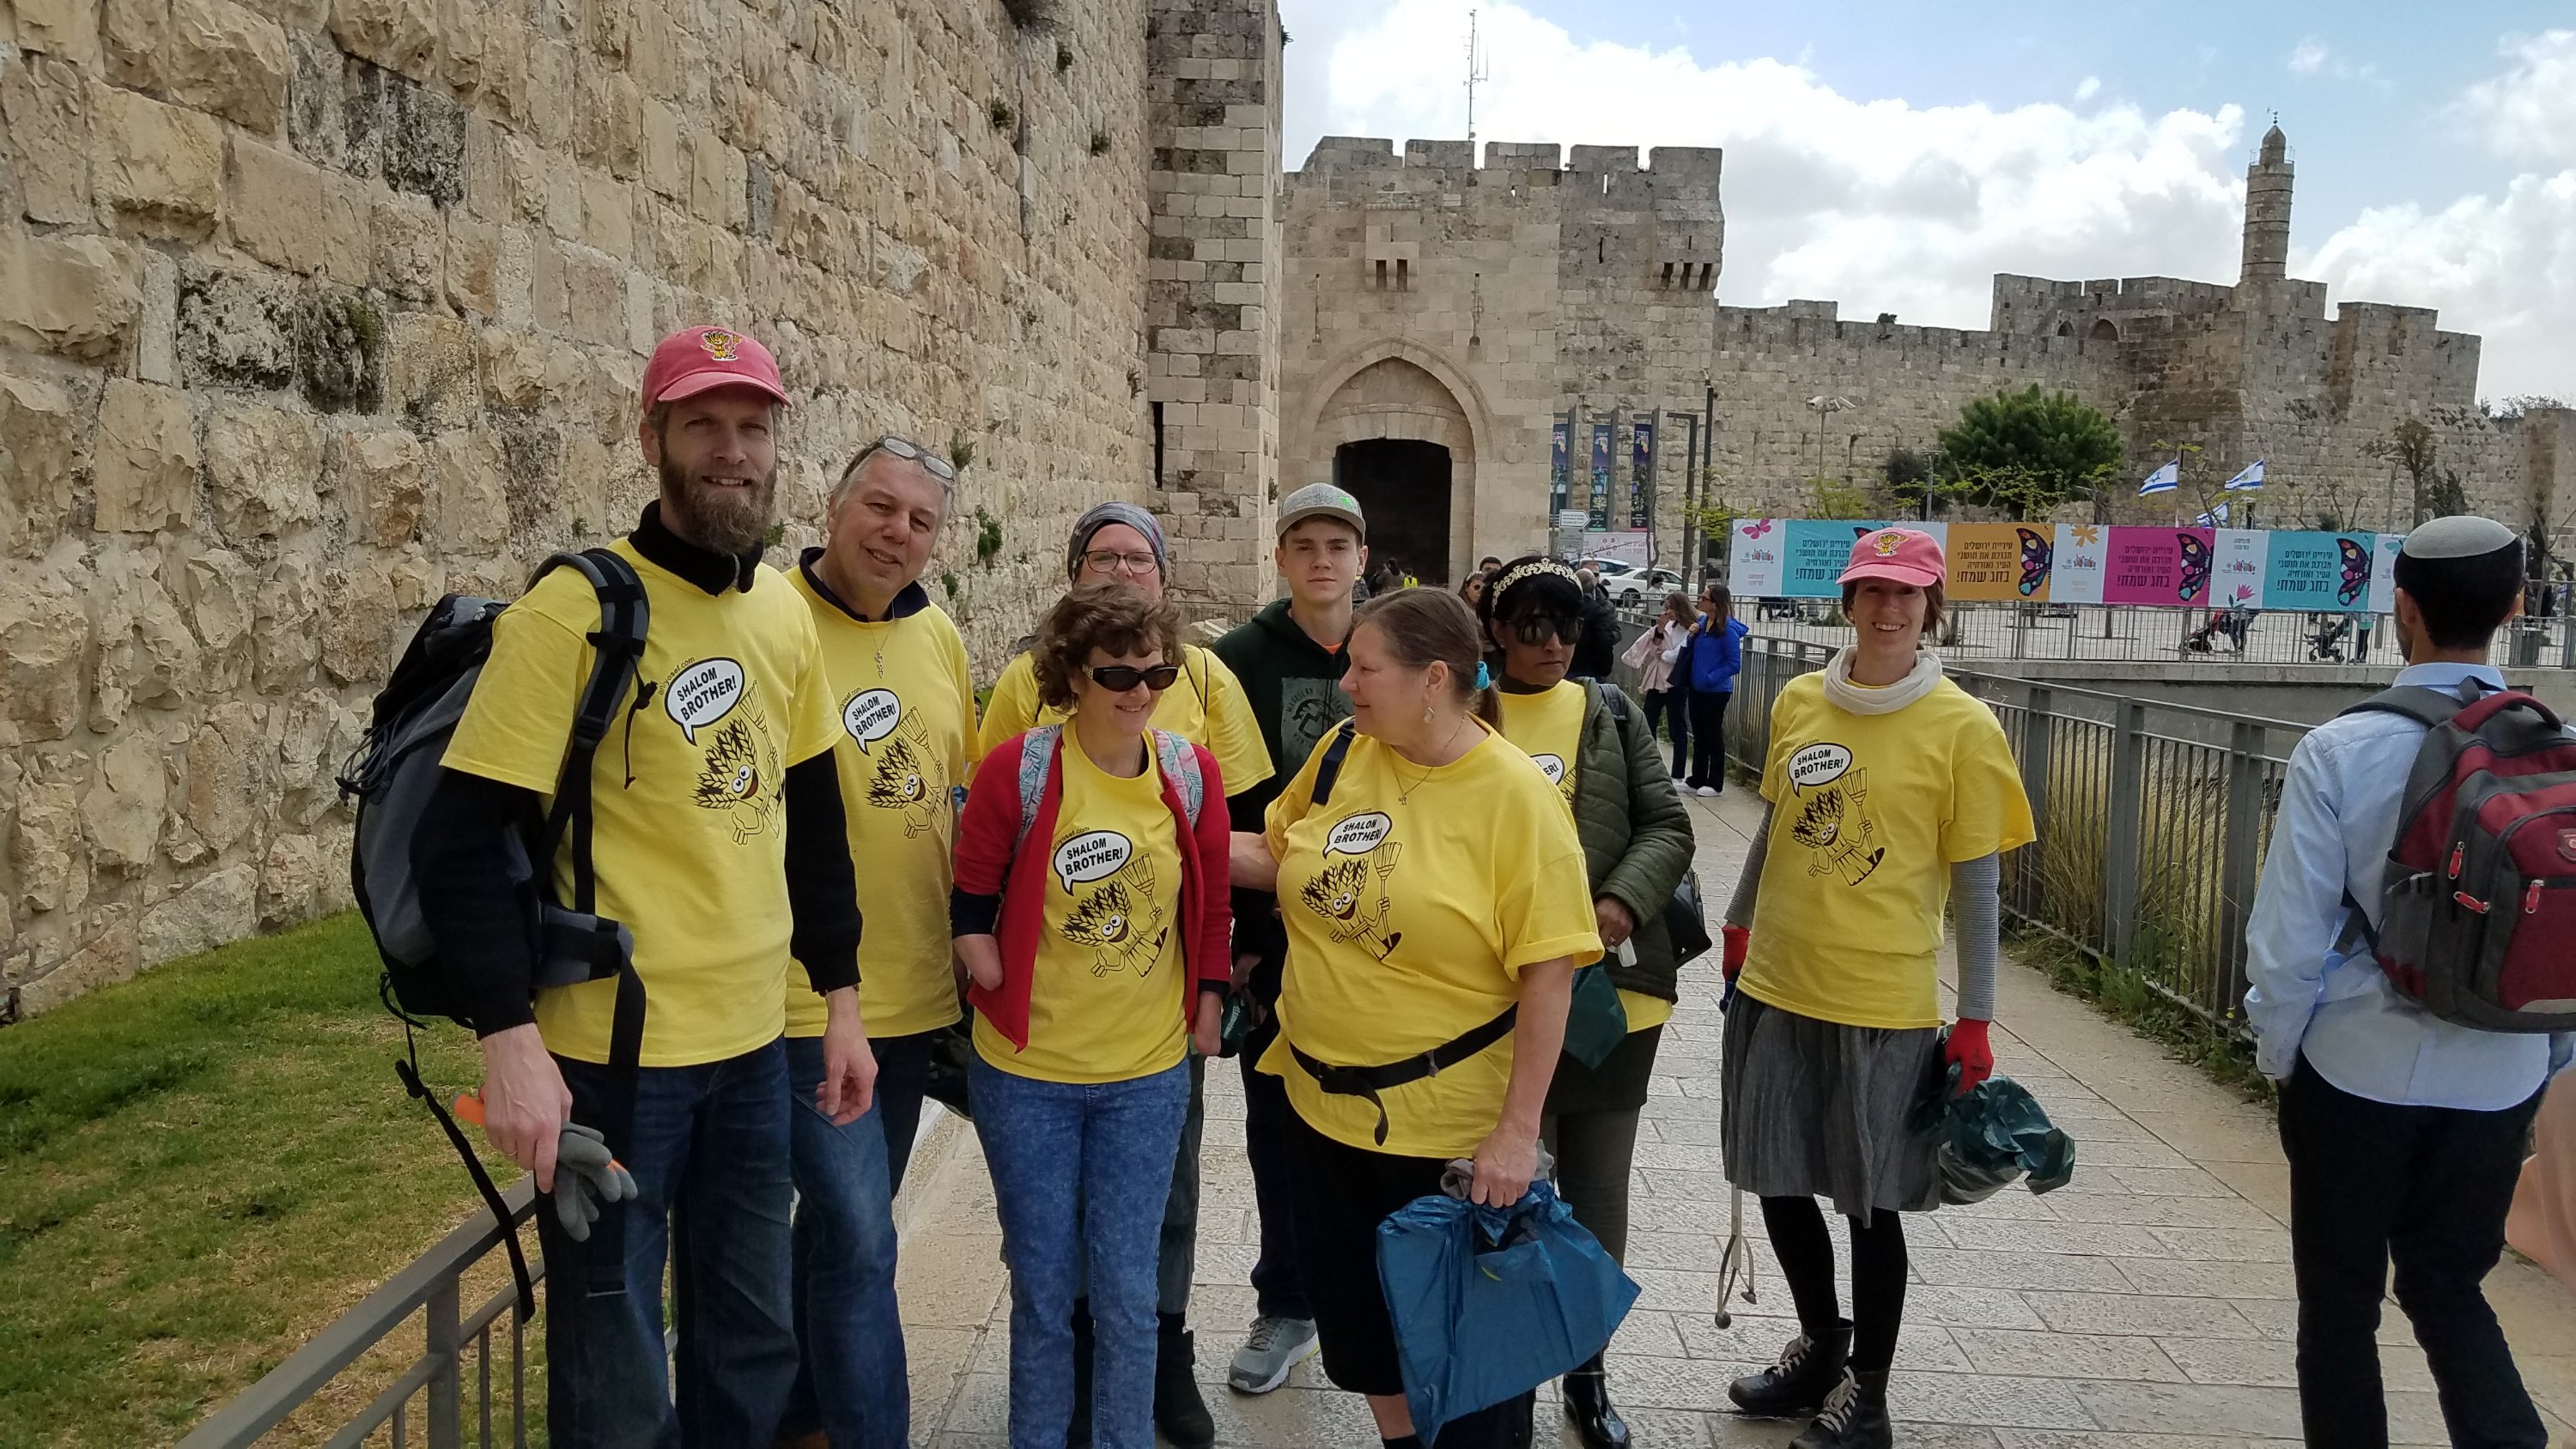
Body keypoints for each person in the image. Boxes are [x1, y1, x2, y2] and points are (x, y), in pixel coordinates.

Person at [415, 325, 869, 1447]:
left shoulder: (782, 613)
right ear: (651, 438)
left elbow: (813, 824)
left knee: (753, 1338)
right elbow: (459, 842)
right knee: (614, 1363)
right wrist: (509, 1043)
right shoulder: (573, 612)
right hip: (609, 1064)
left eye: (752, 427)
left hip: (754, 1049)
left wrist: (843, 1000)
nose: (732, 451)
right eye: (702, 424)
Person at [1241, 588, 1602, 1449]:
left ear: (1434, 678)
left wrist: (1516, 1134)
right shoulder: (1343, 751)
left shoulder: (1516, 797)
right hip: (1320, 1116)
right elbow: (1273, 852)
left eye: (1365, 669)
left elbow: (1550, 973)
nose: (1346, 685)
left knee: (1474, 1385)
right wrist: (1148, 829)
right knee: (1369, 1348)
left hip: (1447, 1146)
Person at [2244, 515, 2574, 1449]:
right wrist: (2548, 1051)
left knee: (2339, 1306)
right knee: (2449, 1284)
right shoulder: (2559, 748)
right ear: (2515, 606)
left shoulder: (2340, 749)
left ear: (2402, 607)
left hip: (2356, 1071)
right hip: (2499, 1075)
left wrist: (2283, 1055)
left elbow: (2288, 941)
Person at [1718, 528, 2033, 1449]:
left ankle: (1870, 1394)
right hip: (1779, 982)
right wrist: (1738, 926)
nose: (1889, 609)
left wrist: (1976, 1017)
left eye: (1908, 594)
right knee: (1776, 1175)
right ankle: (1821, 1347)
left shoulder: (1964, 727)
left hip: (1882, 1002)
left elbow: (1978, 885)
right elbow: (1777, 827)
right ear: (1849, 601)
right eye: (1873, 591)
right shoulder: (1801, 699)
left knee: (1869, 1201)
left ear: (1931, 608)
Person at [978, 502, 1269, 1446]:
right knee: (1045, 1272)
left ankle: (1139, 1409)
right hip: (1034, 1062)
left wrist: (1215, 991)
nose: (1141, 689)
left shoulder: (1194, 744)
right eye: (1117, 673)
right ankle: (1051, 1415)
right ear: (1071, 672)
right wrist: (976, 951)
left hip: (1149, 1056)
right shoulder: (1021, 747)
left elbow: (1222, 874)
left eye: (1156, 672)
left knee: (1139, 1259)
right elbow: (976, 863)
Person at [776, 435, 981, 1448]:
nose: (897, 532)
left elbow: (956, 793)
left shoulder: (937, 633)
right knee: (860, 1238)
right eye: (881, 506)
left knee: (840, 1227)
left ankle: (799, 1414)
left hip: (913, 995)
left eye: (921, 520)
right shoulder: (773, 619)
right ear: (833, 504)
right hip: (809, 996)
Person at [1479, 558, 1695, 1449]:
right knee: (1509, 1190)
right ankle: (1510, 1377)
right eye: (1532, 625)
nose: (1552, 643)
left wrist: (1618, 904)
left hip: (1612, 995)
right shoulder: (1467, 713)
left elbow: (1667, 825)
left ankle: (1588, 1372)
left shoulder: (1610, 712)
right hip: (1496, 1001)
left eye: (1567, 625)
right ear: (1498, 631)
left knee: (1598, 1194)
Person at [1209, 482, 1368, 1394]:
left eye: (1337, 545)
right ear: (1279, 557)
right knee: (1275, 1123)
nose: (1321, 560)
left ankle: (1380, 1300)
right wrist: (1239, 934)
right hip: (1272, 935)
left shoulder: (1394, 650)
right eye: (1303, 544)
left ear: (1361, 558)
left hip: (1378, 933)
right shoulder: (1235, 661)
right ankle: (1288, 1301)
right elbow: (1227, 803)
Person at [1680, 583, 1747, 795]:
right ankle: (1697, 778)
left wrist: (1710, 678)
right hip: (1697, 688)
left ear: (1715, 603)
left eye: (1704, 598)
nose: (1700, 601)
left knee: (1713, 735)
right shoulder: (1702, 623)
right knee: (1699, 735)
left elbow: (1734, 664)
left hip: (1716, 691)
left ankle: (1715, 782)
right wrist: (1691, 635)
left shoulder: (1727, 630)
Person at [1623, 591, 1693, 781]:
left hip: (1676, 681)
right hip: (1658, 679)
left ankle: (1678, 774)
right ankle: (1650, 767)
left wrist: (1665, 655)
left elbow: (1678, 654)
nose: (1667, 612)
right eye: (1666, 608)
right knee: (1649, 720)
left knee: (1676, 726)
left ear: (1679, 608)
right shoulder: (1668, 626)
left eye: (1670, 608)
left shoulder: (1691, 629)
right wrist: (1660, 631)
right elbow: (1655, 650)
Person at [1569, 568, 1620, 681]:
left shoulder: (1564, 607)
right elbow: (1604, 640)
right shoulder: (1598, 611)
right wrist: (1605, 668)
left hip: (1572, 666)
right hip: (1589, 669)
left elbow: (1613, 634)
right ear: (1593, 586)